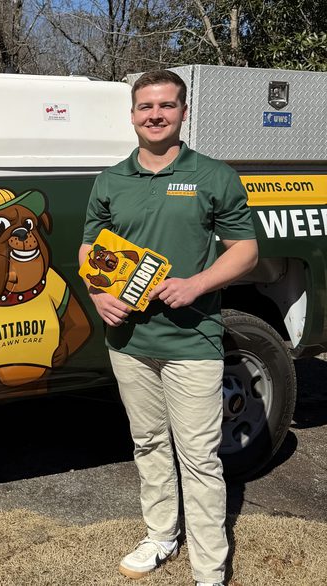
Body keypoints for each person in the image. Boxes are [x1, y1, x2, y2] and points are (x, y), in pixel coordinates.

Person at [78, 70, 258, 586]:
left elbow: (245, 250)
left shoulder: (213, 176)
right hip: (130, 343)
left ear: (183, 112)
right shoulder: (111, 180)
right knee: (149, 444)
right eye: (145, 107)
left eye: (166, 106)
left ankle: (209, 568)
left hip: (192, 339)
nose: (155, 115)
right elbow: (90, 250)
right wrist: (97, 293)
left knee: (199, 457)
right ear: (132, 115)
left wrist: (197, 285)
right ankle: (161, 536)